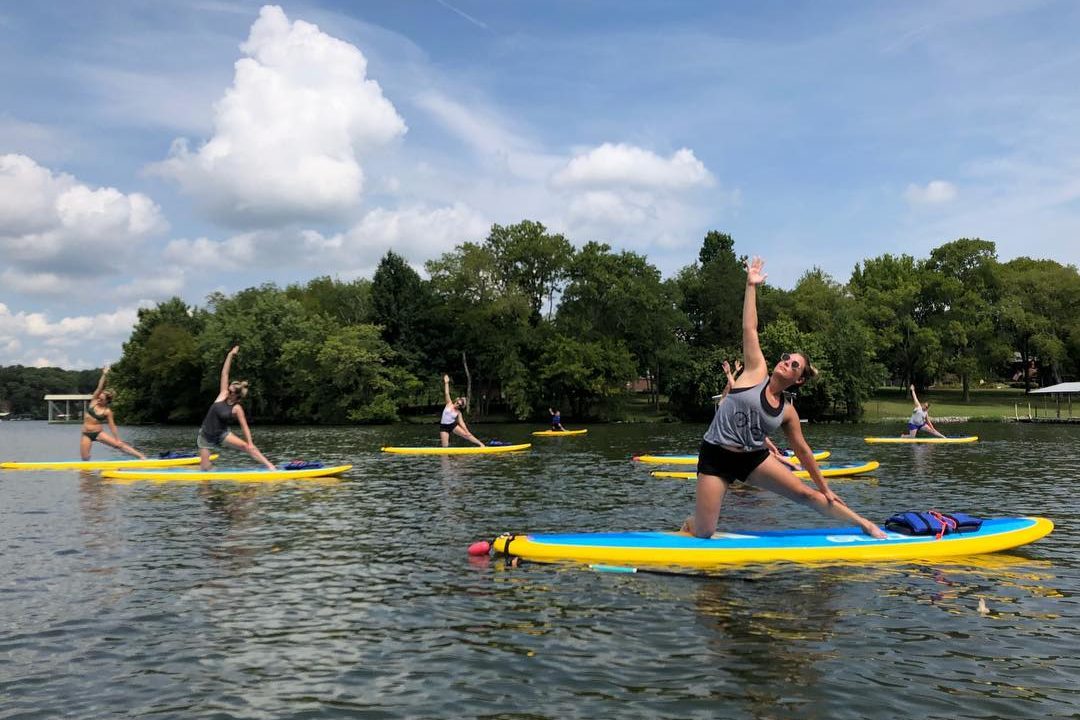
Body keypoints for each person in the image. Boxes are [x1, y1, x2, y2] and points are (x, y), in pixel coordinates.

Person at [683, 256, 886, 539]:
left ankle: (864, 524)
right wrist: (751, 285)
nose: (787, 362)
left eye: (794, 365)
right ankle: (690, 525)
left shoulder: (787, 411)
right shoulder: (755, 371)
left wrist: (825, 487)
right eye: (787, 358)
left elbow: (803, 452)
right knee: (705, 532)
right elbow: (749, 329)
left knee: (806, 493)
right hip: (715, 455)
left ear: (798, 379)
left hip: (752, 458)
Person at [197, 346, 275, 471]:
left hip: (222, 434)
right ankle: (212, 470)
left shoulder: (237, 408)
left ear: (235, 395)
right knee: (205, 469)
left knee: (247, 447)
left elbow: (245, 427)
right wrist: (230, 355)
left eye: (230, 390)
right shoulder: (222, 395)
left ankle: (271, 467)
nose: (227, 390)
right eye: (228, 388)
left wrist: (250, 443)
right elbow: (225, 373)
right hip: (206, 435)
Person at [80, 365, 146, 461]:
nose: (99, 400)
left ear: (107, 401)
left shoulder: (107, 412)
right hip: (86, 434)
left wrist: (117, 439)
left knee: (119, 445)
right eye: (99, 397)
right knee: (85, 458)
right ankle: (87, 473)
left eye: (101, 399)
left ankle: (142, 457)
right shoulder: (93, 401)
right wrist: (104, 374)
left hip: (98, 433)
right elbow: (99, 387)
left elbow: (112, 426)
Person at [440, 374, 484, 448]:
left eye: (459, 405)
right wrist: (446, 383)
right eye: (457, 403)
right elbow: (447, 393)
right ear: (456, 401)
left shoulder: (458, 413)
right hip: (443, 427)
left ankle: (481, 444)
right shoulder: (449, 403)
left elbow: (462, 423)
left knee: (466, 435)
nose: (457, 405)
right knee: (445, 446)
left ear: (461, 407)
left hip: (452, 425)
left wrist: (467, 431)